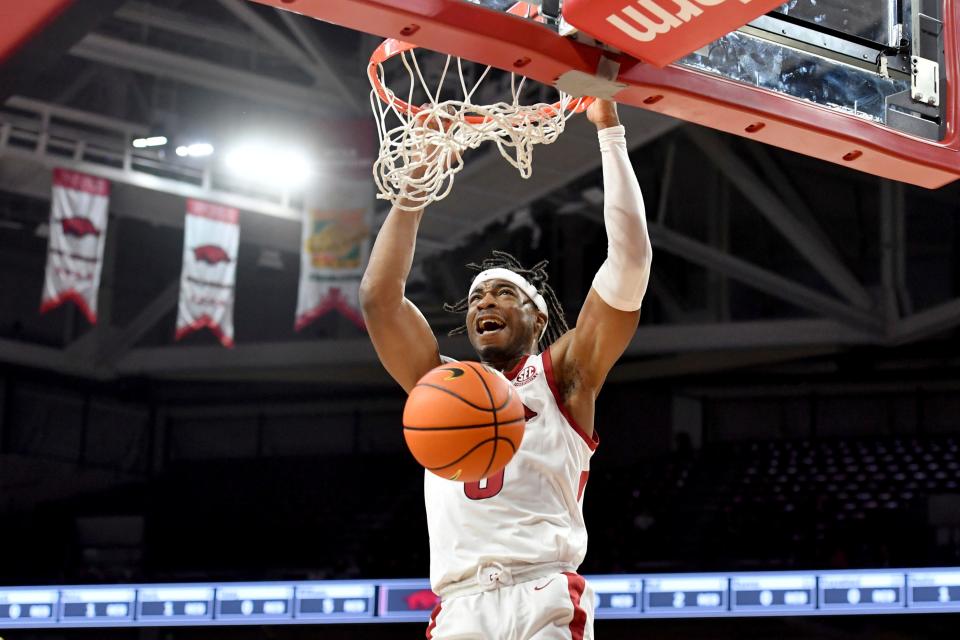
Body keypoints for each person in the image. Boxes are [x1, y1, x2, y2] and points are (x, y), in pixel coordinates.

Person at [360, 98, 652, 639]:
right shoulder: (439, 384)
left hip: (540, 592)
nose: (483, 303)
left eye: (501, 293)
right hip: (460, 605)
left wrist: (609, 131)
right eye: (475, 298)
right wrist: (416, 186)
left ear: (537, 314)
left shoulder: (566, 374)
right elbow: (380, 298)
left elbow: (631, 262)